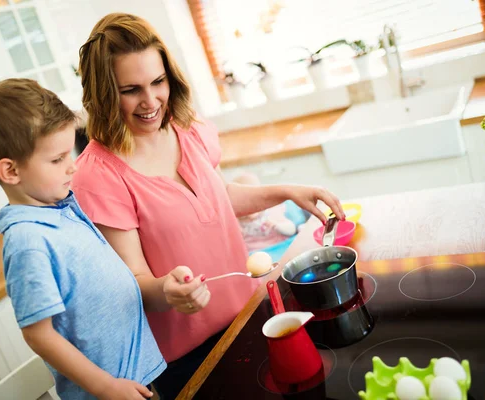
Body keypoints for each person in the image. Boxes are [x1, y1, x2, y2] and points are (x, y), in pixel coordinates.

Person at [73, 13, 345, 399]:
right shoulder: (97, 176)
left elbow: (216, 199)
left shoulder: (185, 127)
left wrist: (285, 190)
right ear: (103, 94)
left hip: (251, 317)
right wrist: (168, 291)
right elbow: (134, 281)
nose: (151, 102)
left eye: (158, 82)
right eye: (131, 89)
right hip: (190, 360)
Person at [0, 78, 167, 400]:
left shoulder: (59, 210)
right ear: (11, 171)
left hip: (138, 377)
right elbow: (39, 335)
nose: (72, 167)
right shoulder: (28, 240)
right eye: (57, 160)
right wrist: (105, 386)